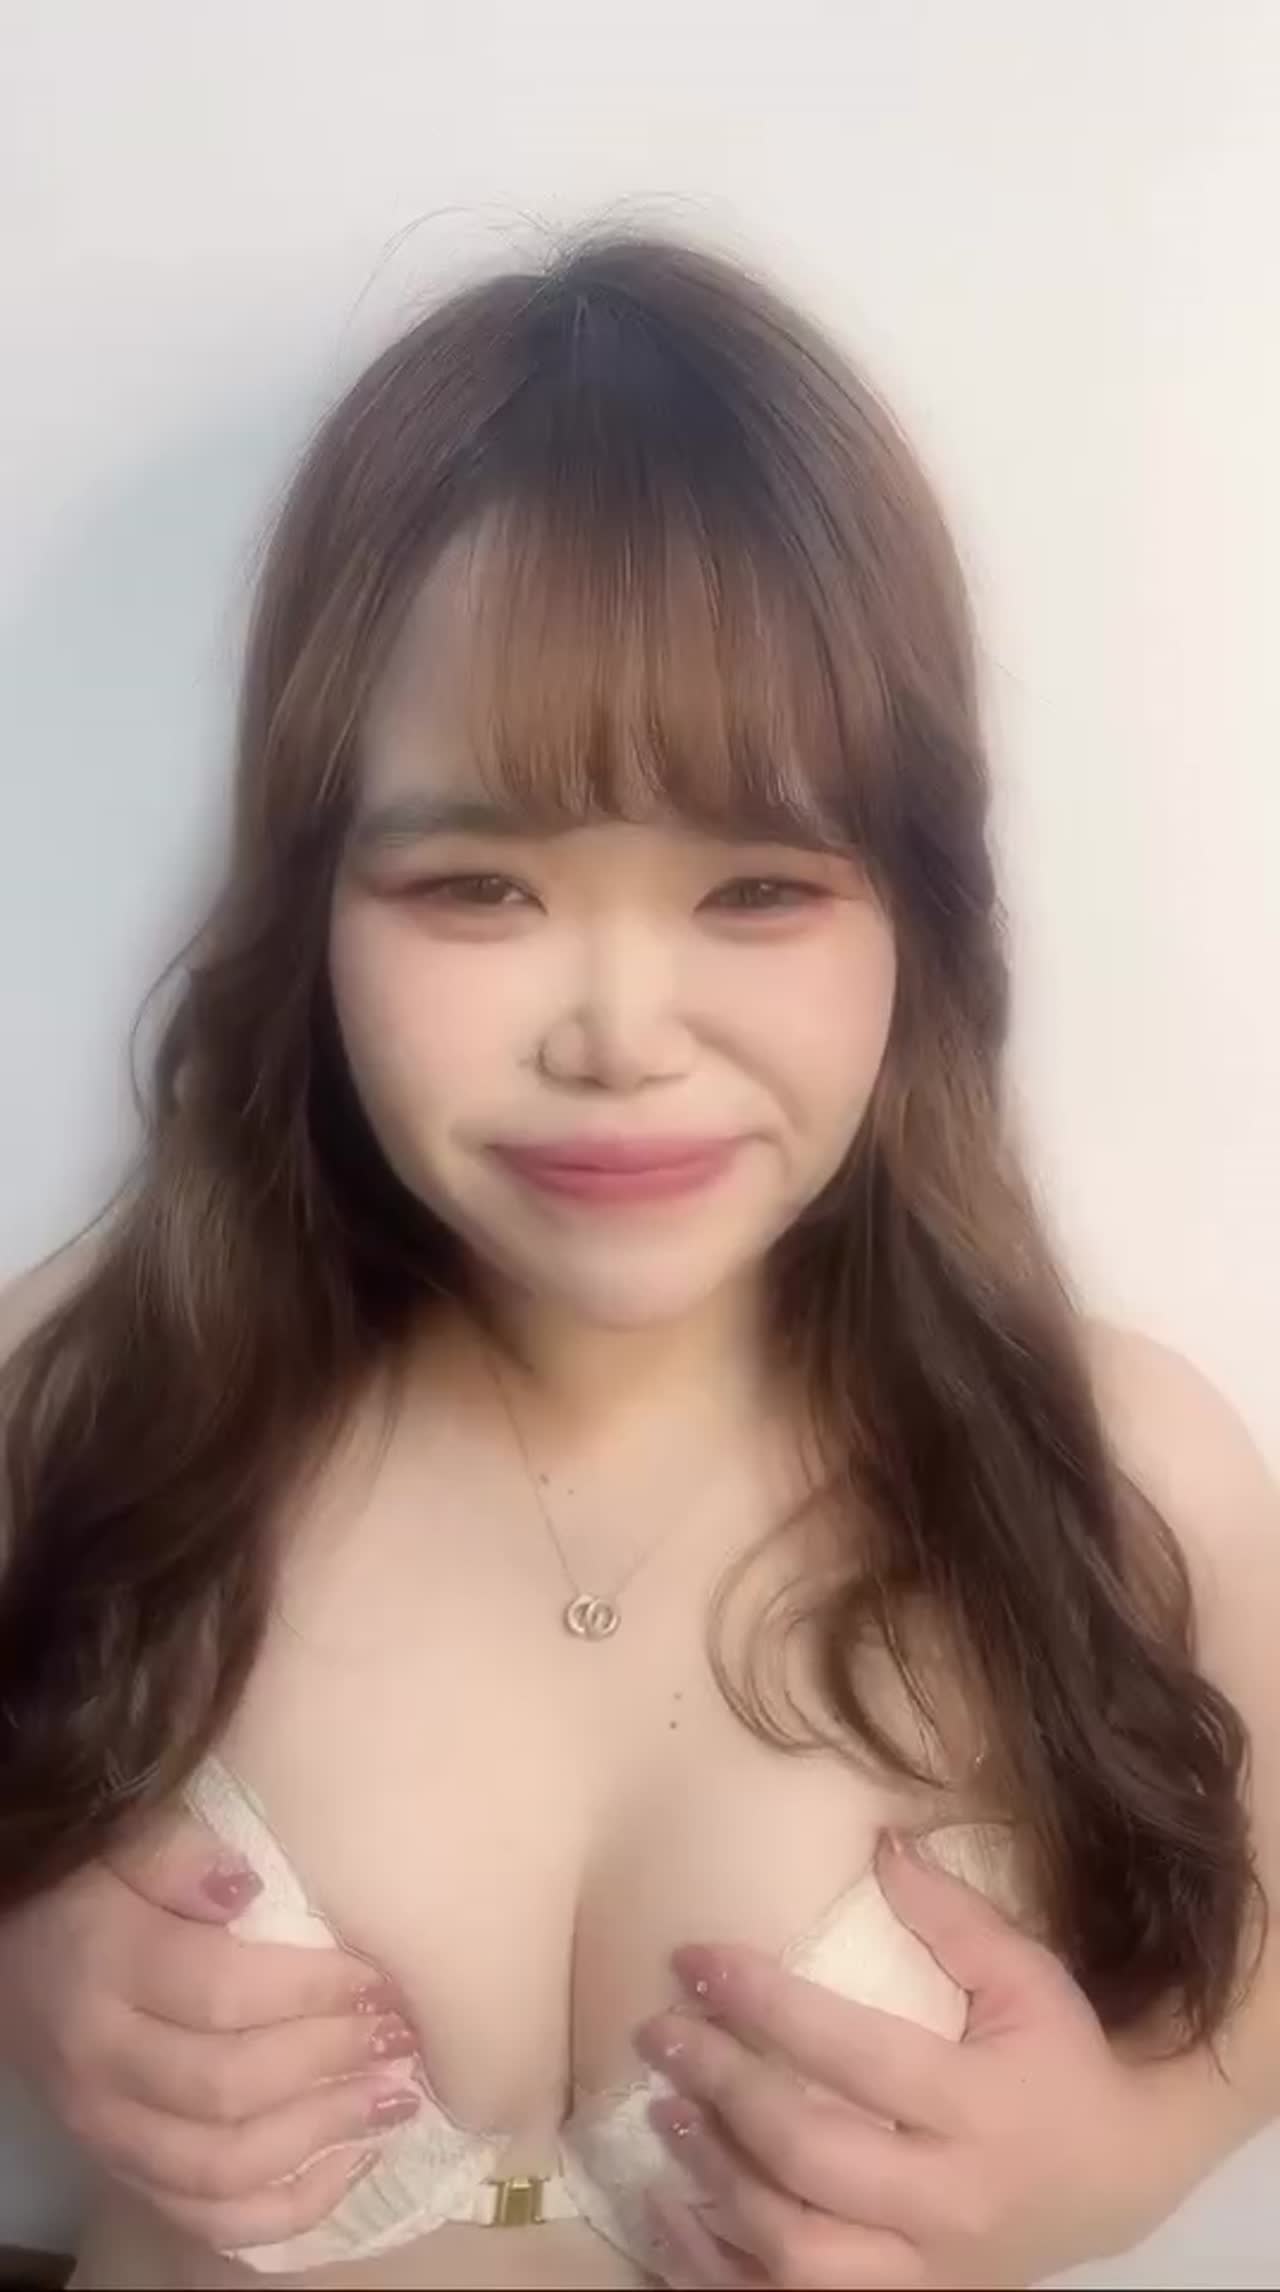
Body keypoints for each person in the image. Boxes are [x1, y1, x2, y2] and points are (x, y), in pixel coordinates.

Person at [0, 232, 1276, 2292]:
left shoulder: (1125, 1474)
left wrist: (1113, 2167)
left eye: (757, 888)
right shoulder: (85, 1394)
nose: (617, 1032)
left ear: (919, 912)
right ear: (316, 898)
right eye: (477, 885)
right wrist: (26, 1964)